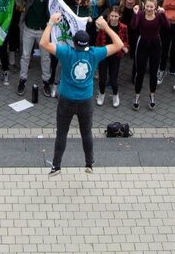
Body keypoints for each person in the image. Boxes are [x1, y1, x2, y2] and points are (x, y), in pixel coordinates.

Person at [41, 12, 123, 176]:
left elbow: (43, 43)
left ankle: (56, 166)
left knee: (62, 133)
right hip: (86, 100)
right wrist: (106, 27)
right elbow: (119, 44)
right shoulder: (94, 53)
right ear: (87, 44)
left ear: (74, 43)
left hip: (66, 100)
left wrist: (51, 23)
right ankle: (89, 164)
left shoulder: (66, 52)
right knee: (86, 132)